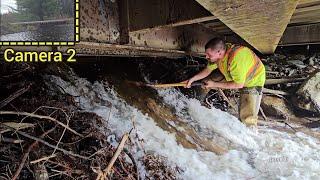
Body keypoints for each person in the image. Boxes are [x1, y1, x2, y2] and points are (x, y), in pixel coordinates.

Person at [183, 37, 266, 126]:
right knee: (207, 81)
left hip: (253, 80)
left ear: (219, 52)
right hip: (233, 75)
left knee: (247, 118)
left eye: (209, 55)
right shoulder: (219, 55)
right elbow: (208, 70)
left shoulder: (236, 59)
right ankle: (194, 105)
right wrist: (192, 80)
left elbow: (238, 84)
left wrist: (214, 84)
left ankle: (250, 135)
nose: (206, 56)